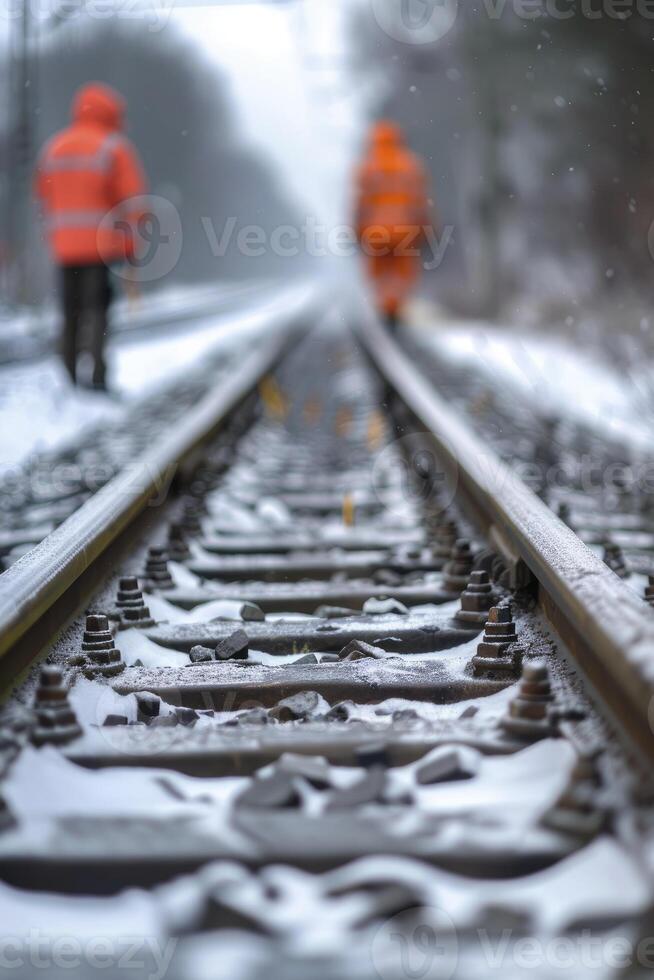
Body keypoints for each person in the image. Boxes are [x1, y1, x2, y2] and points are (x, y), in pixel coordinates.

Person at [34, 82, 146, 390]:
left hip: (64, 249)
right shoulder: (113, 147)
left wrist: (54, 237)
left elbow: (42, 197)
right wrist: (130, 246)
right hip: (100, 248)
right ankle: (96, 377)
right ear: (110, 113)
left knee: (69, 311)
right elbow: (132, 204)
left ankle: (69, 375)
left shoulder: (53, 147)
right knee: (97, 310)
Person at [355, 120, 431, 329]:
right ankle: (394, 308)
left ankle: (384, 306)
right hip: (404, 231)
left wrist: (357, 232)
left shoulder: (367, 168)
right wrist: (425, 228)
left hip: (375, 232)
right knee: (401, 271)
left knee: (380, 272)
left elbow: (361, 205)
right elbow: (420, 202)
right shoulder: (411, 165)